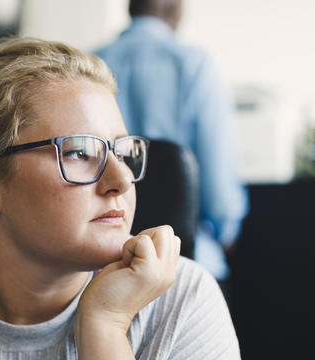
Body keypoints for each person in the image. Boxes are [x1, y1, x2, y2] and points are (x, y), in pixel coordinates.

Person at [0, 36, 240, 359]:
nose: (122, 179)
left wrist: (105, 326)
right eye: (78, 152)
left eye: (122, 152)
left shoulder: (184, 303)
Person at [95, 0, 249, 283]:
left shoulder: (90, 63)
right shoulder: (194, 63)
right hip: (182, 257)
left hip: (105, 256)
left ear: (131, 8)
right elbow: (217, 170)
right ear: (176, 11)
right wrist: (226, 228)